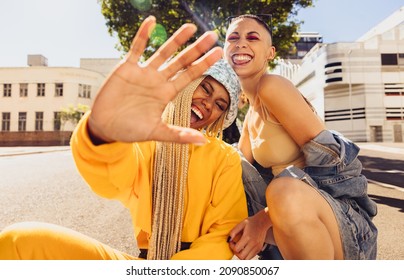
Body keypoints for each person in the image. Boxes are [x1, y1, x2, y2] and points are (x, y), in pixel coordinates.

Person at [0, 16, 247, 260]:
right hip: (143, 263)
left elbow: (223, 235)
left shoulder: (225, 158)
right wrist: (105, 132)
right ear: (186, 85)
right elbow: (111, 177)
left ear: (220, 117)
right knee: (18, 242)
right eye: (205, 88)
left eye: (220, 104)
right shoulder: (147, 137)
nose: (208, 103)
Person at [223, 14, 378, 260]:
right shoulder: (250, 114)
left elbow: (332, 164)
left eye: (252, 38)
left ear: (270, 53)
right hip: (289, 224)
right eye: (233, 37)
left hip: (342, 224)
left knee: (282, 189)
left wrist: (263, 220)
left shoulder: (272, 87)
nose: (241, 43)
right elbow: (234, 168)